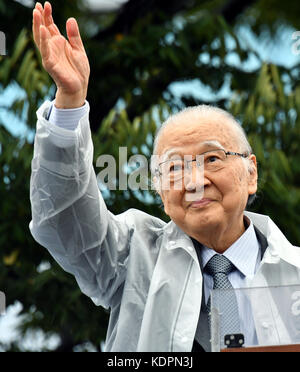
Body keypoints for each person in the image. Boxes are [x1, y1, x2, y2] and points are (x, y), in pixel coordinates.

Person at [30, 2, 300, 352]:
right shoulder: (133, 257)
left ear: (251, 173)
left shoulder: (293, 274)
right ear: (160, 191)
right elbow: (66, 219)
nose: (192, 181)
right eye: (173, 168)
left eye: (212, 158)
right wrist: (69, 102)